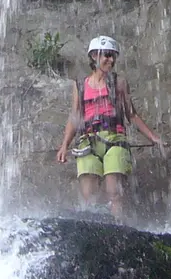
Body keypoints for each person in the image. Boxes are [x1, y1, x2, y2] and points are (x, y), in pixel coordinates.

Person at [56, 35, 164, 220]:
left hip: (115, 139)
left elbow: (131, 114)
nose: (111, 60)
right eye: (107, 55)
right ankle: (94, 227)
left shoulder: (118, 82)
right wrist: (64, 145)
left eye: (113, 56)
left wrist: (153, 137)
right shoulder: (80, 85)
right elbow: (75, 116)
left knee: (115, 192)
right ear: (94, 56)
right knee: (88, 194)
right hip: (88, 141)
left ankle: (118, 225)